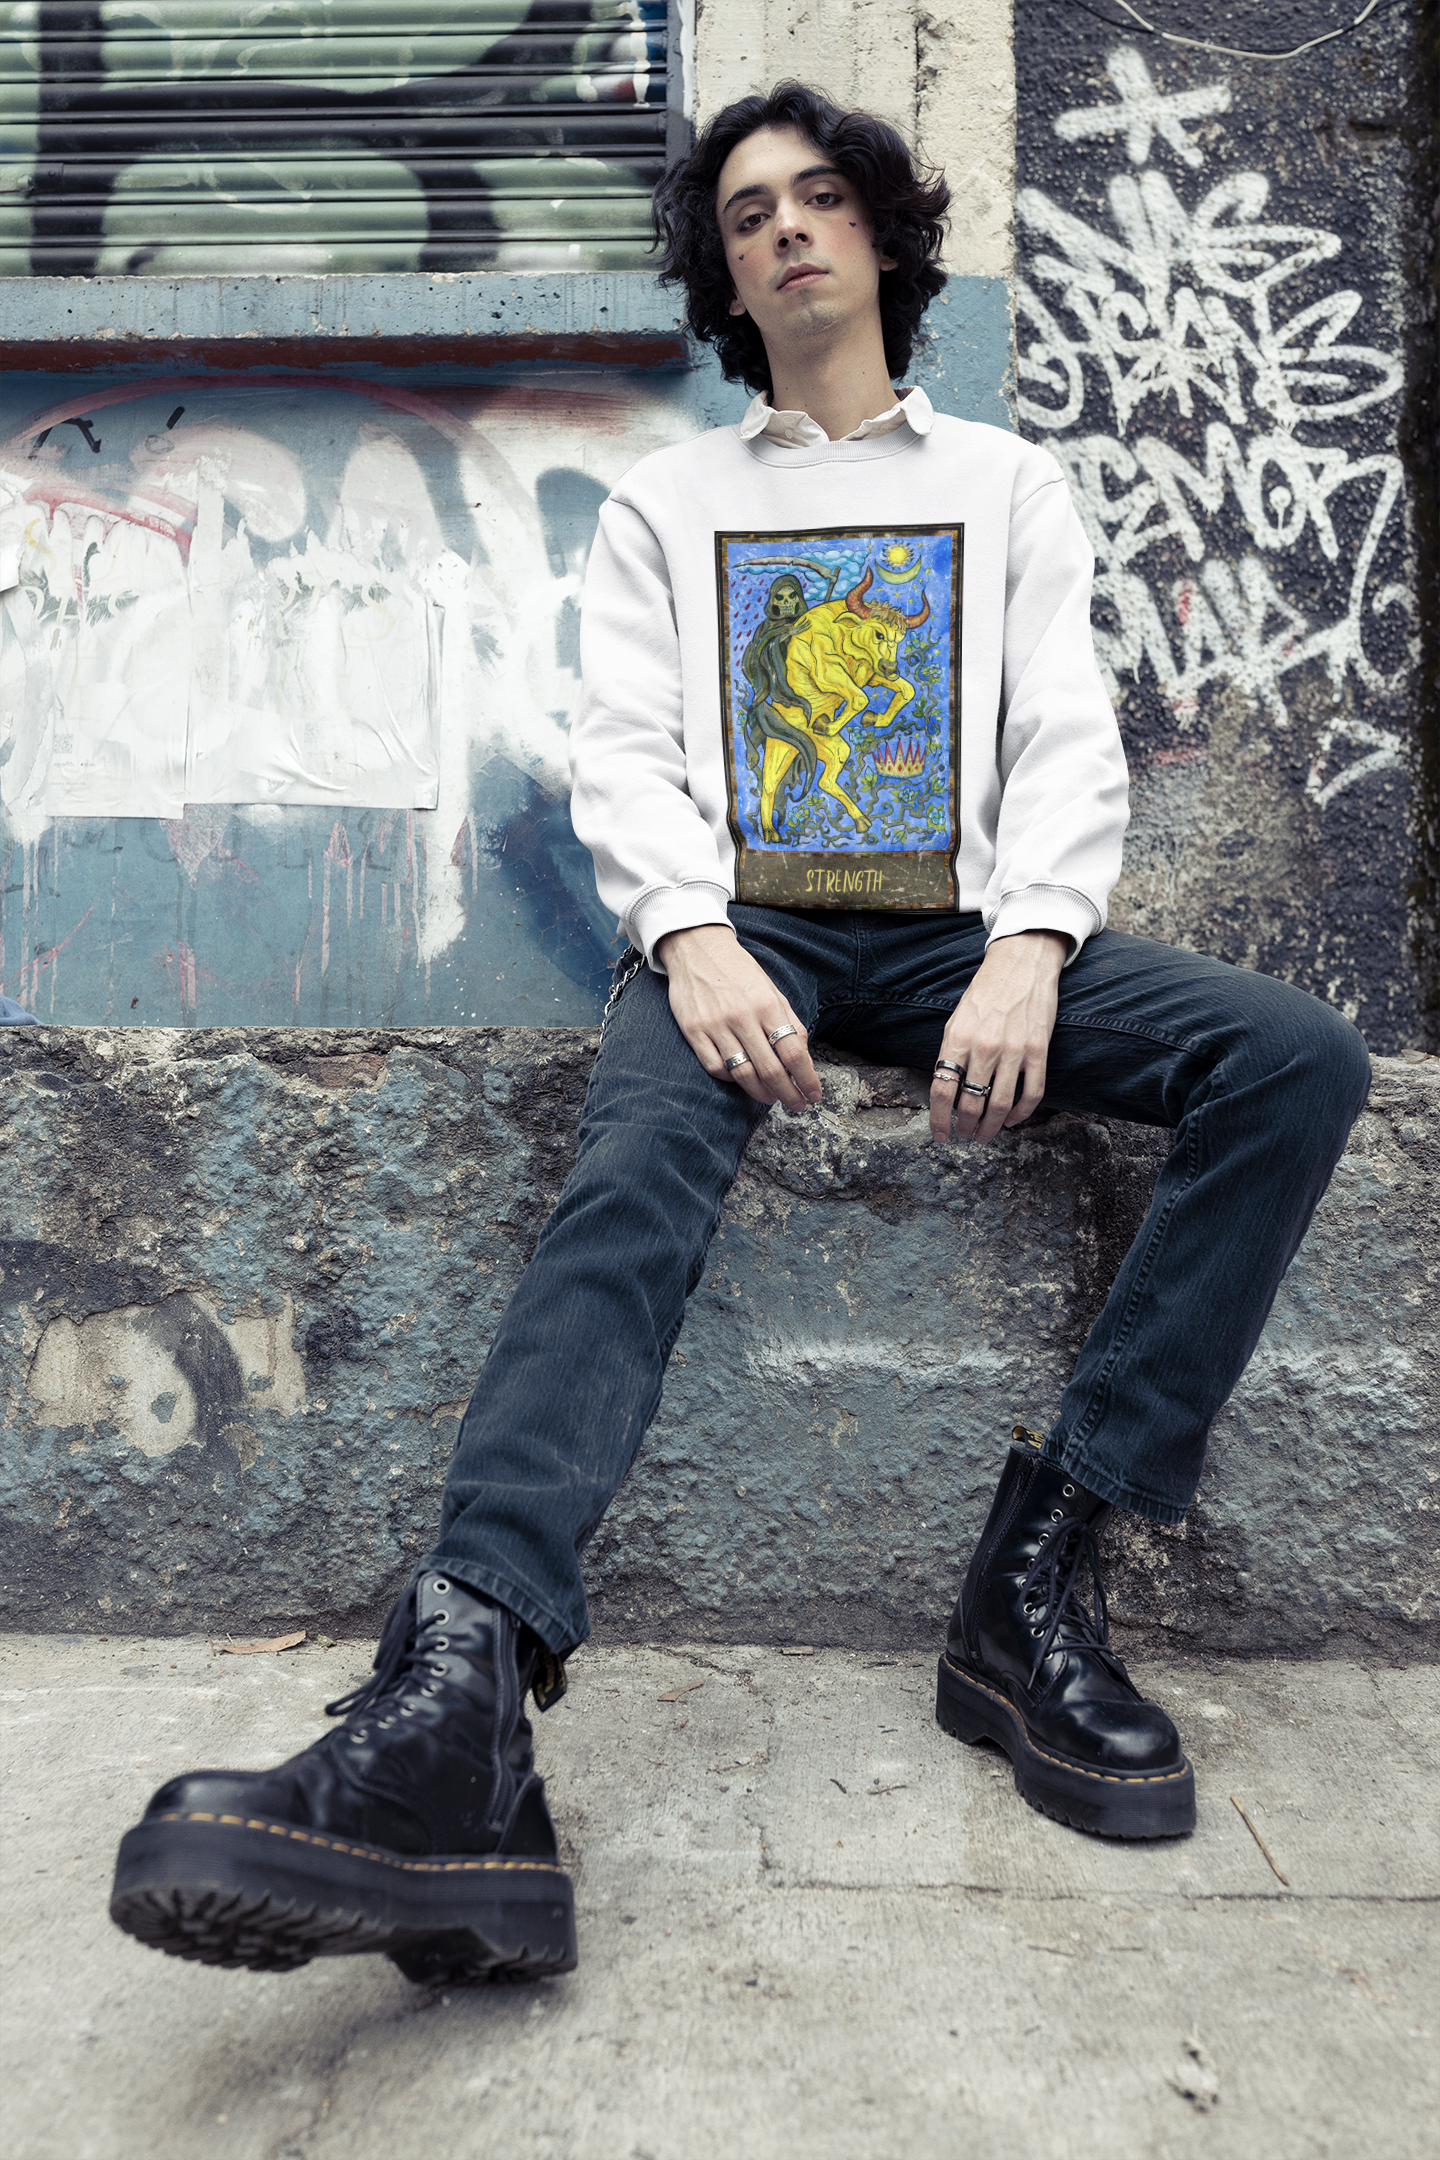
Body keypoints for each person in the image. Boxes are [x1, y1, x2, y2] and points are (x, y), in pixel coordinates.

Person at [109, 83, 1371, 1987]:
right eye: (748, 211)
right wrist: (690, 939)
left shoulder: (1005, 484)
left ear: (880, 234)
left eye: (820, 197)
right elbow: (626, 753)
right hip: (746, 940)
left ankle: (1038, 1579)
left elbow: (1062, 747)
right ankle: (460, 1682)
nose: (786, 229)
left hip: (959, 939)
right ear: (722, 270)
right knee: (627, 1178)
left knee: (1295, 1060)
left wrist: (1035, 943)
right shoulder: (668, 504)